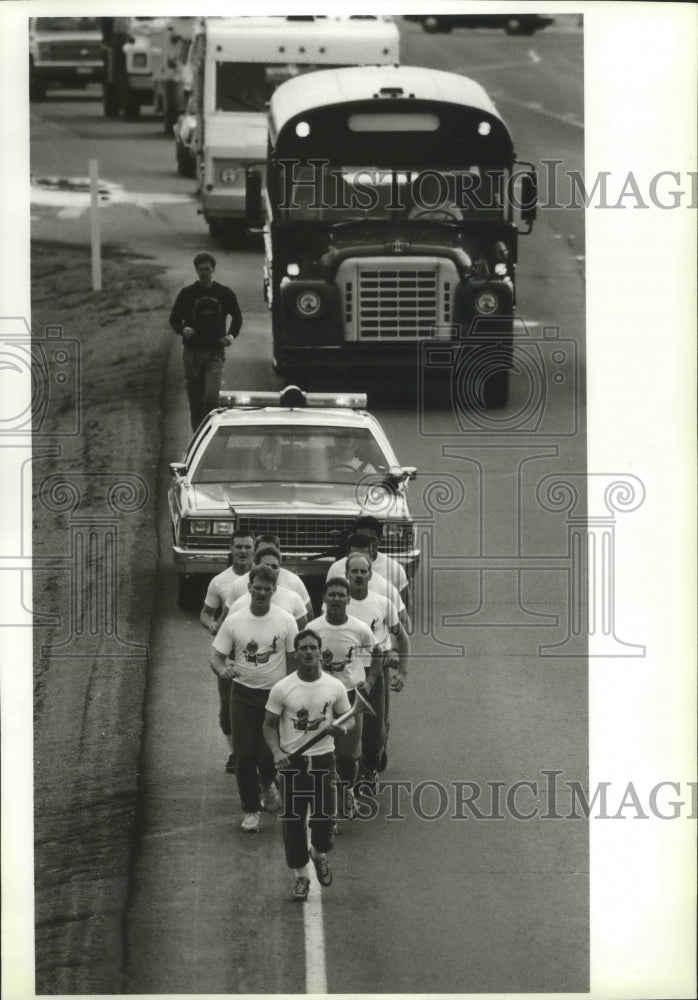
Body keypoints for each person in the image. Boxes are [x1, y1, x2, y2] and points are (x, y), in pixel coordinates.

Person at [263, 629, 352, 902]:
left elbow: (348, 718)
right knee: (293, 821)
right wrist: (277, 752)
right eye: (303, 648)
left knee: (325, 820)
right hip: (293, 764)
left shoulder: (334, 686)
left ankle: (319, 852)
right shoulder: (283, 688)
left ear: (319, 651)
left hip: (324, 761)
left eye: (313, 647)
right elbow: (268, 726)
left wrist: (342, 729)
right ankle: (301, 876)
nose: (309, 652)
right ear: (297, 652)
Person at [210, 565, 298, 832]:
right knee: (244, 756)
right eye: (256, 587)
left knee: (267, 753)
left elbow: (294, 663)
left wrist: (292, 695)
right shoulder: (235, 620)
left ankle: (269, 782)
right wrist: (223, 670)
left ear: (274, 590)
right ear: (248, 588)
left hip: (275, 697)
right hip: (243, 695)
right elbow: (216, 656)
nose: (261, 593)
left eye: (266, 589)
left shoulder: (286, 620)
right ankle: (250, 809)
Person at [307, 578, 383, 818]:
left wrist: (369, 682)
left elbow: (377, 653)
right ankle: (326, 806)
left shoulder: (360, 629)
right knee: (321, 754)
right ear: (325, 599)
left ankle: (347, 790)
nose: (337, 599)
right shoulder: (313, 629)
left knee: (348, 756)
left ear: (349, 599)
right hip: (320, 698)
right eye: (332, 595)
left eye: (342, 595)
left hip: (351, 697)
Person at [344, 552, 409, 790]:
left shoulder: (383, 603)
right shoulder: (337, 603)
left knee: (373, 735)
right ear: (346, 574)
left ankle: (370, 767)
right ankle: (349, 776)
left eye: (363, 571)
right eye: (355, 571)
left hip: (375, 671)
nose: (359, 576)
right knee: (345, 730)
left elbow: (402, 637)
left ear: (371, 574)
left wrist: (402, 671)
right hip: (344, 675)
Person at [199, 528, 255, 774]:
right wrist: (210, 624)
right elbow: (206, 613)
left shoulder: (264, 579)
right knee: (228, 708)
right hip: (230, 654)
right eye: (238, 547)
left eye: (247, 547)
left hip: (260, 651)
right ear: (231, 549)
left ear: (254, 550)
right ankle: (234, 752)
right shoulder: (219, 581)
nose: (242, 551)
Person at [169, 252, 242, 431]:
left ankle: (210, 433)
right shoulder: (187, 294)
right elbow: (174, 319)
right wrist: (182, 330)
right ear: (196, 270)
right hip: (192, 354)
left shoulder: (224, 293)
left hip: (214, 353)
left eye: (207, 269)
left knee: (211, 398)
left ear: (213, 269)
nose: (204, 273)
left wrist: (230, 336)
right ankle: (197, 437)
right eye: (201, 269)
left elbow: (237, 317)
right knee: (195, 400)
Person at [226, 536, 313, 618]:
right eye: (263, 551)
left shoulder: (294, 582)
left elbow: (309, 618)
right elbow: (226, 619)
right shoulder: (239, 584)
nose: (268, 555)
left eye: (271, 551)